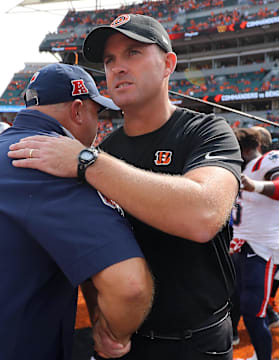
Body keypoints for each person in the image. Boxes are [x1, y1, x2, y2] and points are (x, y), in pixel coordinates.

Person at [8, 14, 243, 360]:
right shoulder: (102, 151)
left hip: (196, 341)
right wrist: (104, 319)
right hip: (125, 341)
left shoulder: (207, 131)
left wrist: (88, 164)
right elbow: (86, 251)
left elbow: (204, 213)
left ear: (168, 63)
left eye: (133, 53)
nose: (117, 67)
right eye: (109, 60)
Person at [0, 63, 154, 360]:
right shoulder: (56, 164)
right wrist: (113, 335)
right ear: (78, 110)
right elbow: (130, 287)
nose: (98, 124)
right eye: (97, 113)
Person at [230, 128, 279, 360]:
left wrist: (255, 186)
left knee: (253, 312)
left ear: (247, 149)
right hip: (238, 246)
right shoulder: (236, 168)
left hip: (260, 247)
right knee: (235, 303)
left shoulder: (268, 161)